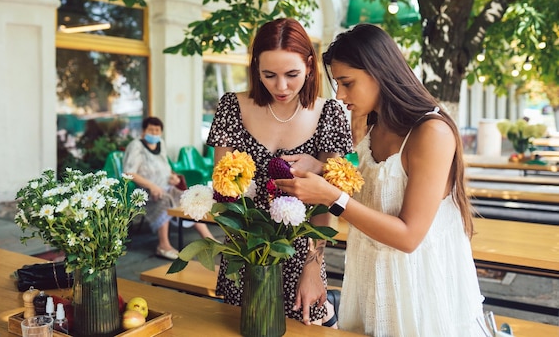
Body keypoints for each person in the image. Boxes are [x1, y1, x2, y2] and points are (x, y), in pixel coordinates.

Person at [275, 24, 486, 336]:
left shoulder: (432, 132)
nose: (340, 96)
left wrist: (332, 198)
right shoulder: (374, 125)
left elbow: (408, 236)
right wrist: (320, 169)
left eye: (347, 83)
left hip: (418, 290)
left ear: (379, 72)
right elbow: (370, 192)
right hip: (374, 279)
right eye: (337, 84)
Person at [206, 18, 353, 326]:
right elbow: (225, 192)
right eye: (269, 75)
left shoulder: (330, 112)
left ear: (310, 67)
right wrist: (239, 255)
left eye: (292, 74)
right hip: (245, 252)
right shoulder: (232, 107)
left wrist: (314, 267)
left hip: (303, 253)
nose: (281, 86)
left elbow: (327, 200)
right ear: (255, 68)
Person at [123, 116, 215, 260]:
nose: (154, 133)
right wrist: (152, 186)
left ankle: (209, 239)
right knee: (164, 201)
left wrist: (173, 177)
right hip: (146, 191)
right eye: (151, 130)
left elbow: (165, 167)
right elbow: (129, 172)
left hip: (167, 186)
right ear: (143, 131)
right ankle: (163, 245)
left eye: (157, 130)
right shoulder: (136, 146)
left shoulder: (161, 143)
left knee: (189, 200)